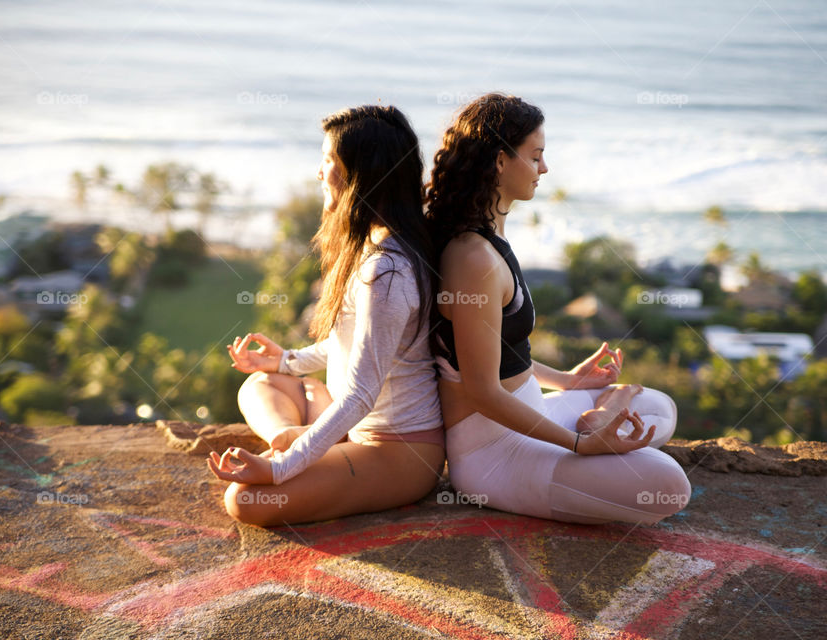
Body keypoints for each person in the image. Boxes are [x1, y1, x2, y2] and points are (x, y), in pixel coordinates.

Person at [426, 93, 691, 525]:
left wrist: (565, 380)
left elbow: (500, 354)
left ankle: (593, 420)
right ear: (499, 162)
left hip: (532, 412)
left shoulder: (490, 236)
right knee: (668, 489)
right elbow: (482, 390)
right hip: (494, 453)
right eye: (535, 157)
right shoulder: (471, 257)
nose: (544, 169)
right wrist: (579, 446)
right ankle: (590, 429)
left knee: (660, 407)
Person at [207, 105, 445, 526]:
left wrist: (280, 469)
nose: (319, 173)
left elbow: (359, 397)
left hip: (396, 451)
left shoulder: (386, 272)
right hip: (356, 429)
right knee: (263, 382)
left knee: (245, 501)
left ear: (361, 175)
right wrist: (286, 361)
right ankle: (289, 436)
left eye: (328, 161)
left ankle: (292, 445)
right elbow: (356, 347)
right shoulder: (374, 247)